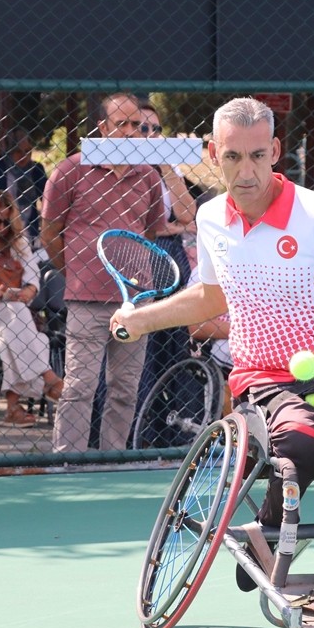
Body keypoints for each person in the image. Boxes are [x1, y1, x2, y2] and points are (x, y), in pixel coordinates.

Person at [111, 97, 314, 622]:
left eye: (258, 156)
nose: (246, 171)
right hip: (265, 381)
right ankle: (267, 528)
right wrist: (142, 319)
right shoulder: (213, 219)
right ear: (214, 154)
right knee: (298, 450)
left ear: (276, 152)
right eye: (233, 157)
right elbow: (213, 298)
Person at [40, 93, 165, 452]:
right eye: (121, 124)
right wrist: (77, 270)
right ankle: (68, 462)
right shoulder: (70, 170)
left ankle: (113, 459)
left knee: (125, 388)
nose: (129, 133)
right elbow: (50, 232)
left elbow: (149, 232)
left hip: (135, 301)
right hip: (86, 299)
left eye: (137, 126)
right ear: (102, 128)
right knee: (79, 387)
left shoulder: (148, 177)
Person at [131, 102, 201, 446]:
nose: (150, 137)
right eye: (142, 130)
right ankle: (138, 438)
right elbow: (140, 225)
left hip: (170, 260)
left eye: (155, 129)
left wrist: (165, 167)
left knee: (175, 347)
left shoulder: (165, 165)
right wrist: (165, 226)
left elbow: (188, 213)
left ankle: (177, 435)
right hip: (136, 261)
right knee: (141, 352)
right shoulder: (122, 167)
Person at [0, 190, 64, 426]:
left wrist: (29, 291)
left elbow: (33, 278)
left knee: (11, 338)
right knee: (26, 328)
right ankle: (48, 378)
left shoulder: (19, 242)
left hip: (14, 311)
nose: (1, 227)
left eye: (7, 222)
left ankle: (13, 409)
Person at [0, 128, 47, 243]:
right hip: (2, 231)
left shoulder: (36, 170)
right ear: (8, 151)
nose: (24, 156)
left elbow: (48, 200)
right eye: (18, 151)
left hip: (30, 231)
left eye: (27, 151)